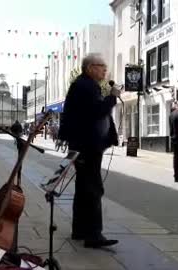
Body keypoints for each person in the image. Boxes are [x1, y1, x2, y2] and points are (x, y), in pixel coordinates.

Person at [59, 53, 119, 248]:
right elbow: (96, 111)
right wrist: (112, 98)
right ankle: (93, 235)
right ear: (91, 67)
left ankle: (80, 230)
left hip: (84, 145)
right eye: (102, 66)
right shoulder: (85, 86)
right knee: (93, 188)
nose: (104, 70)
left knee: (84, 187)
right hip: (87, 146)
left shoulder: (84, 85)